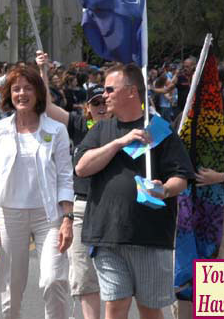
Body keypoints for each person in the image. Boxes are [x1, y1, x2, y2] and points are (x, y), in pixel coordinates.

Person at [74, 63, 194, 319]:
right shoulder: (102, 130)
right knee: (115, 305)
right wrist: (119, 142)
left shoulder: (159, 130)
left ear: (130, 91)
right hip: (107, 234)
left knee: (149, 309)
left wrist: (164, 190)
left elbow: (181, 177)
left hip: (148, 235)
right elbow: (82, 168)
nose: (104, 95)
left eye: (109, 89)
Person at [0, 65, 74, 319]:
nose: (22, 94)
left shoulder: (56, 130)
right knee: (11, 287)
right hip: (10, 215)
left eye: (28, 88)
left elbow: (65, 177)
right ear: (8, 95)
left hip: (49, 216)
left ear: (38, 93)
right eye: (16, 89)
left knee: (54, 280)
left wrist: (67, 219)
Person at [173, 66, 224, 319]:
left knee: (218, 268)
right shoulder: (183, 120)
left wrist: (221, 177)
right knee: (186, 271)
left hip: (221, 206)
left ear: (220, 84)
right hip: (186, 208)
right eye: (195, 81)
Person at [37, 51, 107, 319]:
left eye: (104, 102)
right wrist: (43, 71)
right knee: (83, 275)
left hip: (111, 207)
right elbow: (44, 106)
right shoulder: (78, 125)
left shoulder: (124, 130)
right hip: (81, 208)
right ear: (87, 108)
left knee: (112, 276)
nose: (100, 107)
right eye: (95, 103)